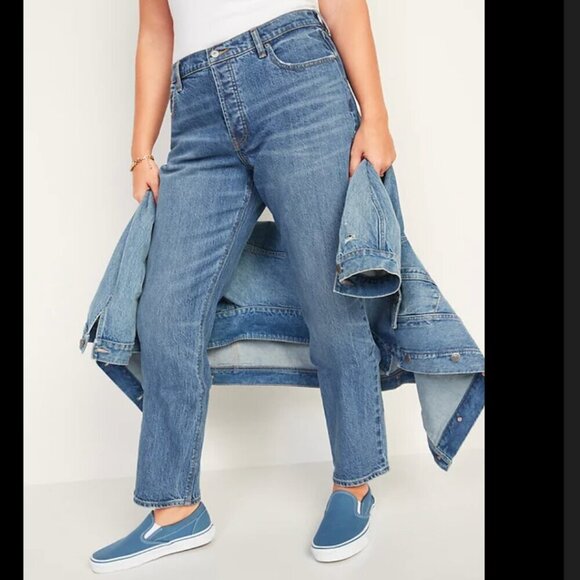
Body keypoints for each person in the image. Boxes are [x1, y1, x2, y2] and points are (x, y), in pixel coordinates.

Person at [90, 0, 396, 572]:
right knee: (165, 312)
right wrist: (140, 152)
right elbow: (156, 29)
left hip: (297, 80)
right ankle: (176, 509)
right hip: (197, 108)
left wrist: (374, 116)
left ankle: (354, 483)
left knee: (330, 298)